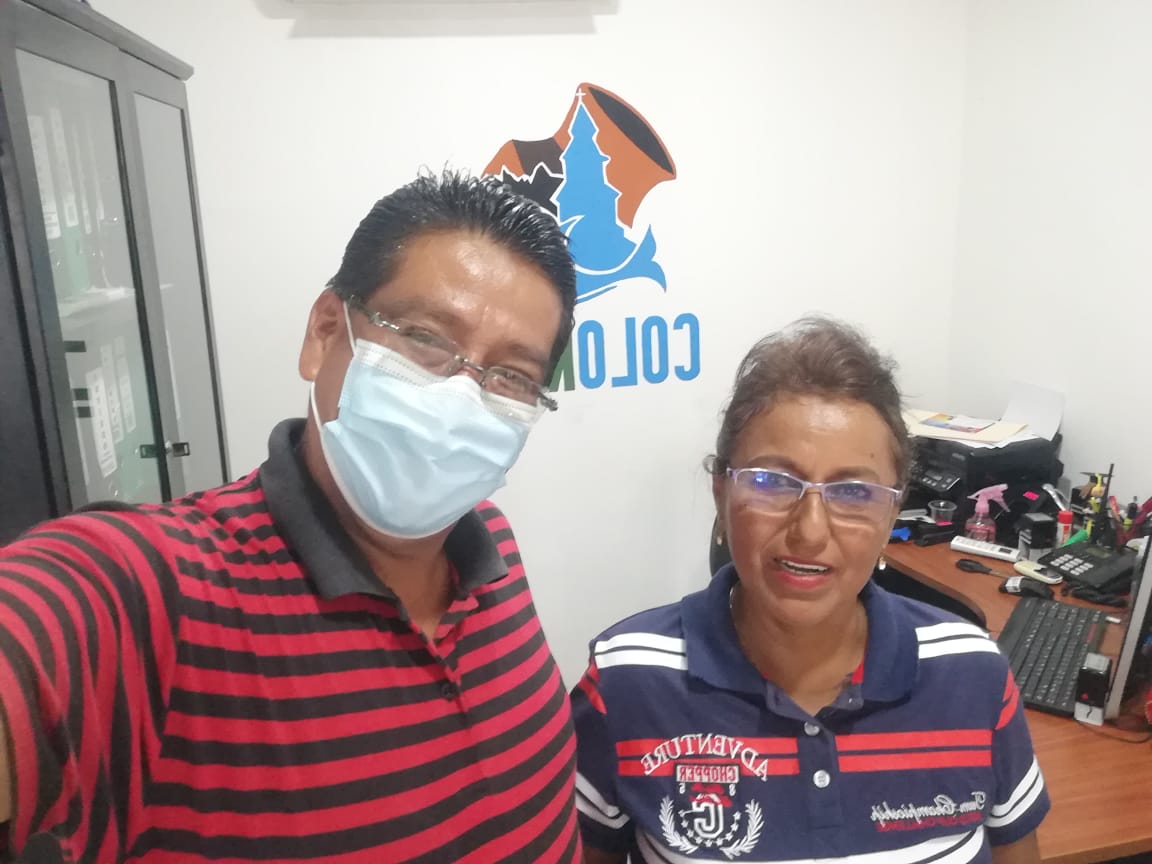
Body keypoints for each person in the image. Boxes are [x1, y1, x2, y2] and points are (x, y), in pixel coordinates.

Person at [0, 171, 584, 862]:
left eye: (512, 376)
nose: (463, 396)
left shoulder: (493, 550)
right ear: (326, 333)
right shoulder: (152, 593)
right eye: (425, 337)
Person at [571, 318, 1048, 864]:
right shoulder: (627, 679)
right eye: (772, 482)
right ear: (721, 494)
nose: (810, 531)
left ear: (892, 512)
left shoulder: (973, 672)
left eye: (854, 491)